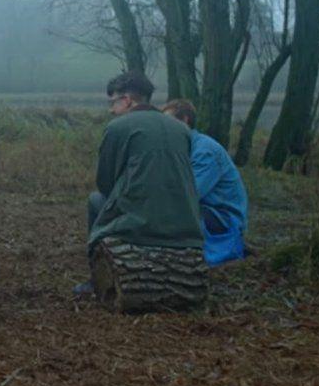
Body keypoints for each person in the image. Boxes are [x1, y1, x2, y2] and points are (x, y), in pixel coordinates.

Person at [75, 71, 203, 294]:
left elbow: (106, 182)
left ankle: (95, 279)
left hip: (139, 224)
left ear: (127, 100)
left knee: (96, 200)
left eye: (113, 102)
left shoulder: (118, 127)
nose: (110, 110)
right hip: (187, 226)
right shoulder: (182, 130)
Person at [162, 99, 249, 266]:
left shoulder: (205, 151)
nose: (164, 129)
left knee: (173, 214)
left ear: (185, 120)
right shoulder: (181, 148)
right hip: (204, 210)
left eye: (168, 122)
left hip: (223, 218)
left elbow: (189, 195)